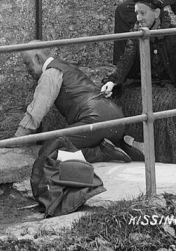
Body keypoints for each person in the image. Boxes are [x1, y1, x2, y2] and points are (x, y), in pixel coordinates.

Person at [100, 0, 176, 165]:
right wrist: (112, 81)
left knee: (165, 106)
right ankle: (136, 152)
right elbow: (126, 60)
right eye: (136, 13)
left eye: (143, 13)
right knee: (124, 102)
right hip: (140, 84)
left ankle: (172, 157)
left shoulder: (173, 32)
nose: (138, 18)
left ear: (156, 13)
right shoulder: (136, 33)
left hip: (169, 85)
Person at [16, 44, 144, 163]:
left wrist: (17, 138)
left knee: (49, 150)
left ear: (38, 58)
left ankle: (101, 152)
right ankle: (122, 144)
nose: (27, 70)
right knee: (72, 141)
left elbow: (37, 109)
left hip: (95, 121)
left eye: (28, 64)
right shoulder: (66, 66)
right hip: (117, 119)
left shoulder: (50, 73)